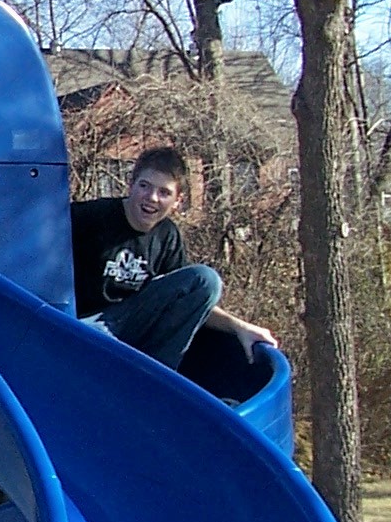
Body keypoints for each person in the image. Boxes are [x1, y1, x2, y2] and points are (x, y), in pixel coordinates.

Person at [69, 144, 277, 371]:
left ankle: (157, 375)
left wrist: (239, 327)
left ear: (178, 201)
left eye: (164, 192)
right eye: (144, 186)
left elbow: (190, 299)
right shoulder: (90, 217)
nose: (152, 198)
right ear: (131, 184)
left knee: (206, 280)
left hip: (130, 328)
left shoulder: (167, 236)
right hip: (83, 329)